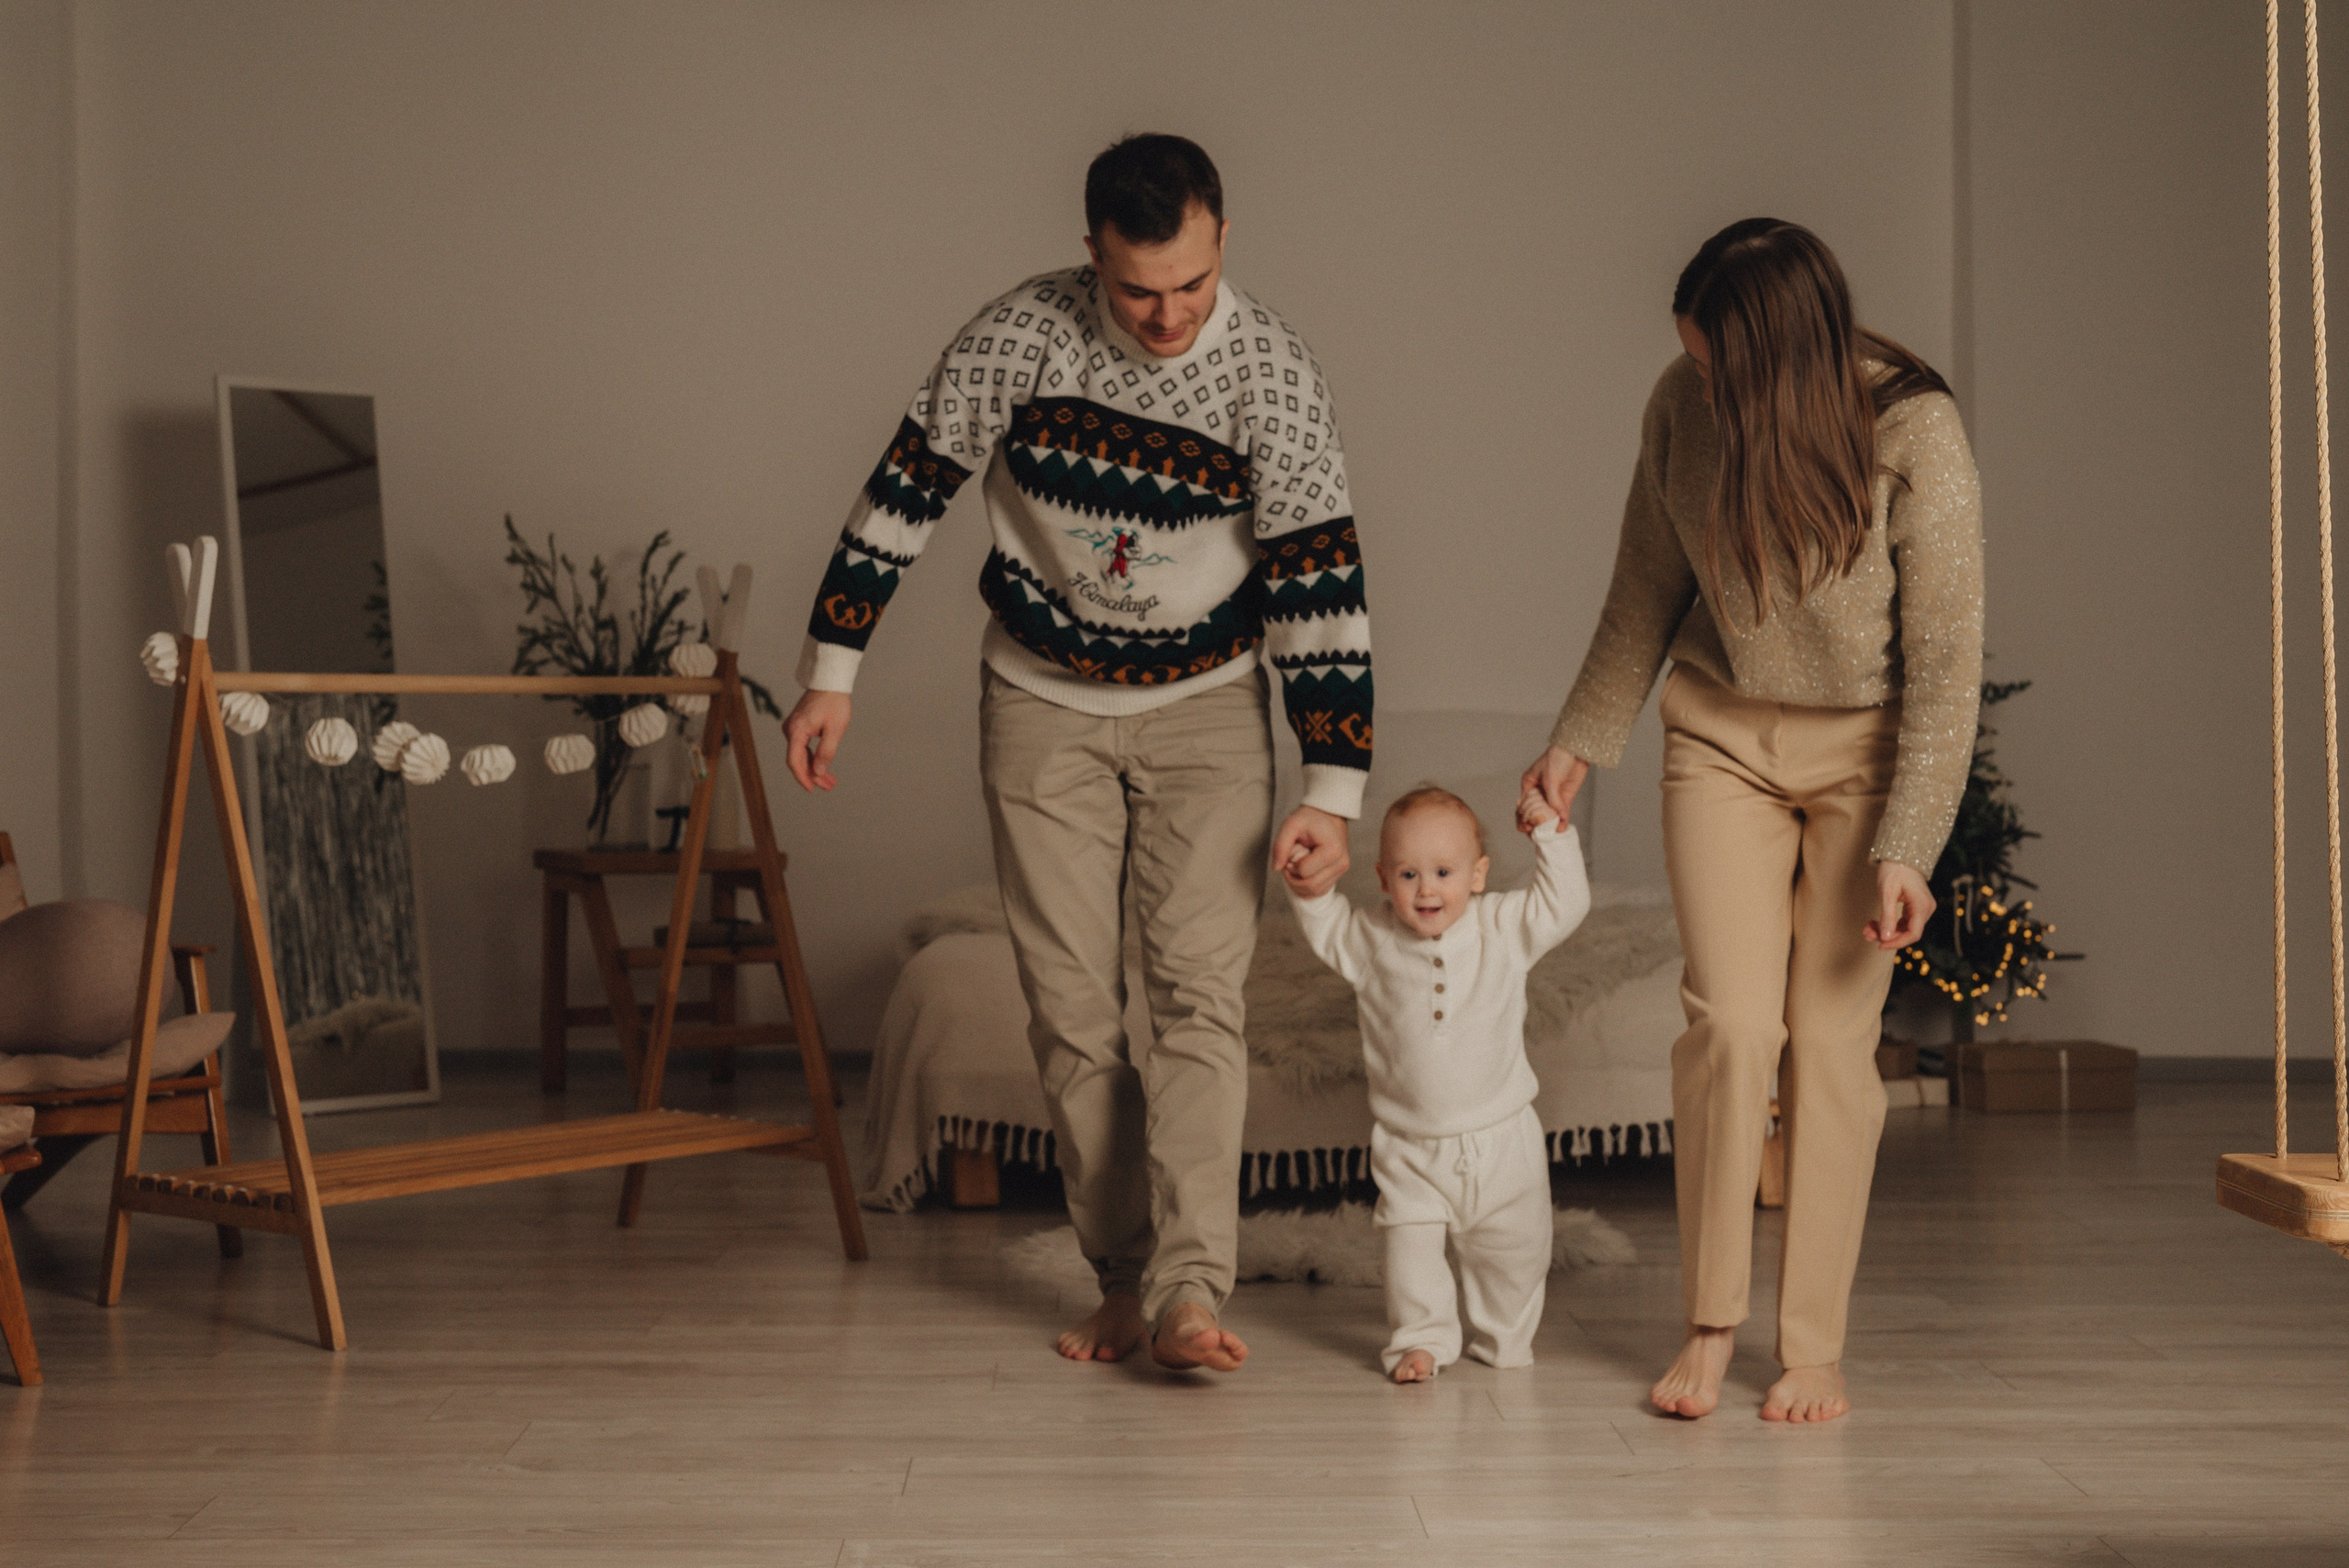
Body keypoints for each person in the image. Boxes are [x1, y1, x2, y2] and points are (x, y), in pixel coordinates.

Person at [782, 134, 1374, 1373]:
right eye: (1140, 289)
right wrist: (832, 672)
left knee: (1201, 1000)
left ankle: (1191, 1293)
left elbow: (1320, 578)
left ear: (1223, 243)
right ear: (1092, 253)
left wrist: (1333, 781)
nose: (1169, 316)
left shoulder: (1271, 371)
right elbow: (904, 491)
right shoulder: (1020, 336)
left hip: (1210, 706)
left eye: (1194, 285)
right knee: (1069, 1009)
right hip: (1039, 700)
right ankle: (1121, 1277)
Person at [1522, 218, 1983, 1424]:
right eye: (1695, 358)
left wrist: (1907, 849)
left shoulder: (1914, 433)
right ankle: (1711, 1322)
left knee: (1831, 1046)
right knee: (1730, 1025)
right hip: (1721, 733)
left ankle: (1814, 1344)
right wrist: (1579, 743)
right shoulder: (1682, 404)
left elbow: (1944, 664)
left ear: (1789, 358)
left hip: (1867, 758)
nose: (1704, 382)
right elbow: (1643, 591)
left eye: (1726, 366)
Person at [1286, 786, 1588, 1383]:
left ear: (1477, 875)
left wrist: (1553, 837)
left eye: (1444, 872)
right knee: (1410, 1255)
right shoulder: (1371, 938)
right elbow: (1326, 925)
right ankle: (1420, 1340)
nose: (1426, 889)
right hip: (1410, 1145)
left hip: (1503, 1139)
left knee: (1515, 1254)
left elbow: (1566, 904)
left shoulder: (1503, 926)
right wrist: (1309, 885)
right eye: (1408, 873)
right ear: (1382, 878)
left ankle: (1504, 1340)